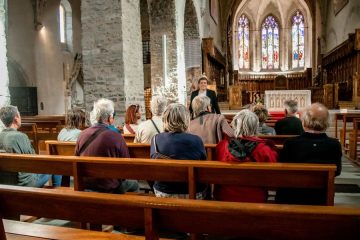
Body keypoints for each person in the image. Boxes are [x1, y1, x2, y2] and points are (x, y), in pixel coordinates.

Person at [276, 103, 342, 205]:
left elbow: (281, 169)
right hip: (320, 198)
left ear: (304, 122)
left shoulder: (290, 143)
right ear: (327, 123)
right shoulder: (334, 145)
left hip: (290, 197)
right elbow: (337, 172)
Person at [75, 98, 139, 193]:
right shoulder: (116, 136)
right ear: (110, 117)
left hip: (87, 184)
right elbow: (126, 165)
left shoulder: (82, 135)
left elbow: (76, 158)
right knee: (135, 184)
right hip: (110, 187)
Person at [214, 109, 278, 203]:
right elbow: (274, 178)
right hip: (255, 197)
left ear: (235, 125)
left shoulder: (222, 146)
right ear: (256, 126)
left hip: (225, 196)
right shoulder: (264, 149)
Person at [150, 103, 207, 199]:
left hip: (163, 192)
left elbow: (153, 168)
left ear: (165, 119)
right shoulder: (196, 140)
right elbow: (203, 166)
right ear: (186, 119)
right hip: (192, 192)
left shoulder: (156, 139)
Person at [0, 105, 62, 187]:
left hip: (6, 182)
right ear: (16, 118)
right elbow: (34, 160)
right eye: (19, 115)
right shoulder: (21, 137)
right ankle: (57, 194)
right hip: (25, 183)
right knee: (56, 166)